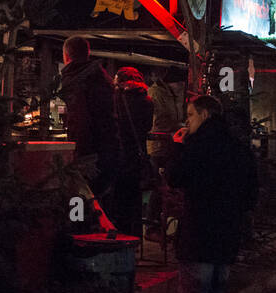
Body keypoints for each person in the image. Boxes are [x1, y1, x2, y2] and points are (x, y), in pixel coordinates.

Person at [166, 94, 258, 293]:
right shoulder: (238, 146)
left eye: (190, 115)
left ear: (204, 114)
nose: (187, 122)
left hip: (198, 235)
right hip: (226, 237)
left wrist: (177, 147)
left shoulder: (195, 146)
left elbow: (174, 178)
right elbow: (252, 194)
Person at [56, 36, 117, 205]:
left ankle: (81, 227)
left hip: (88, 153)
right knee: (101, 202)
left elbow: (80, 120)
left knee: (82, 200)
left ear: (66, 56)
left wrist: (77, 154)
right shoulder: (102, 77)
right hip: (107, 149)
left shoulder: (75, 80)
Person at [111, 67, 154, 240]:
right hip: (137, 154)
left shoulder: (117, 99)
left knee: (118, 198)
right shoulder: (147, 100)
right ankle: (134, 236)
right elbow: (147, 127)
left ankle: (119, 234)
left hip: (119, 153)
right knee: (134, 197)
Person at [145, 67, 187, 231]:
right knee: (159, 186)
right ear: (173, 82)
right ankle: (151, 226)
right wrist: (176, 128)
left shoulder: (170, 95)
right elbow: (158, 120)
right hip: (158, 146)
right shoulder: (157, 94)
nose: (182, 87)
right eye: (180, 84)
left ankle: (157, 224)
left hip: (168, 145)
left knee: (165, 185)